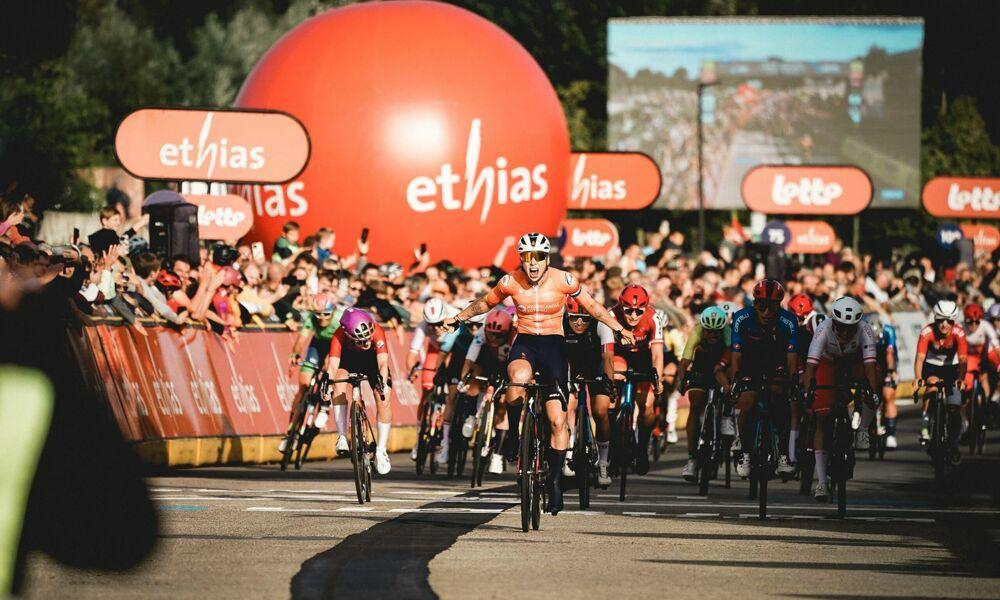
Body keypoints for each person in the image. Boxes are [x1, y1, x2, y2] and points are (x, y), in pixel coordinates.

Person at [447, 233, 634, 516]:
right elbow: (485, 304)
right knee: (517, 379)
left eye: (538, 258)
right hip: (525, 344)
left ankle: (556, 481)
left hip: (553, 346)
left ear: (547, 259)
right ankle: (512, 435)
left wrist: (619, 329)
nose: (532, 264)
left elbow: (593, 307)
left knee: (558, 421)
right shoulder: (510, 281)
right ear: (521, 259)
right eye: (527, 258)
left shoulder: (564, 280)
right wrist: (458, 318)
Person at [801, 297, 880, 501]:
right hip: (827, 363)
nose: (845, 333)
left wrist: (872, 391)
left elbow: (869, 366)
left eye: (849, 329)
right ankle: (822, 483)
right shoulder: (823, 330)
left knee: (873, 387)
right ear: (833, 323)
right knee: (821, 417)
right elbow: (811, 366)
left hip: (853, 361)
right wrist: (809, 391)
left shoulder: (865, 330)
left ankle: (862, 429)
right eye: (840, 328)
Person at [729, 278, 798, 480]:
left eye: (772, 307)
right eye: (762, 305)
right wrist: (735, 382)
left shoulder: (788, 320)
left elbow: (792, 357)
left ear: (780, 305)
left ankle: (784, 454)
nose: (767, 312)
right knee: (748, 401)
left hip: (776, 360)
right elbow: (736, 355)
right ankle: (746, 453)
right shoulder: (742, 318)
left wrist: (792, 383)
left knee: (780, 399)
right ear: (754, 303)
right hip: (751, 361)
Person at [597, 284, 665, 478]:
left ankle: (642, 447)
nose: (634, 315)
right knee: (615, 381)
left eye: (638, 311)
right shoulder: (611, 316)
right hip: (619, 356)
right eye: (629, 310)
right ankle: (613, 443)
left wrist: (657, 380)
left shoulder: (653, 318)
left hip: (643, 357)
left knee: (648, 404)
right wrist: (611, 383)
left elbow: (657, 355)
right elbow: (607, 356)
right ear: (620, 306)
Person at [324, 308, 394, 475]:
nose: (366, 343)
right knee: (338, 385)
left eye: (368, 338)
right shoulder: (338, 335)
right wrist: (327, 384)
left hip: (372, 363)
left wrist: (383, 384)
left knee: (383, 398)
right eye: (360, 341)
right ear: (348, 336)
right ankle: (341, 436)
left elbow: (383, 363)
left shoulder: (377, 331)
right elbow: (332, 365)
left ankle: (381, 450)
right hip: (349, 362)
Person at [282, 293, 347, 455]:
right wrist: (295, 354)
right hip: (317, 345)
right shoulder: (312, 319)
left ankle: (324, 406)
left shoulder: (340, 319)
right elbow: (301, 340)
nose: (321, 318)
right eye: (318, 314)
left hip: (337, 344)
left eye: (326, 314)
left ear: (333, 312)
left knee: (328, 368)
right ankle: (290, 432)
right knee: (303, 385)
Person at [676, 306, 732, 482]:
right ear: (703, 327)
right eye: (709, 332)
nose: (713, 336)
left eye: (717, 332)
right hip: (701, 367)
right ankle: (692, 458)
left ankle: (726, 418)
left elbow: (735, 356)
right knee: (695, 404)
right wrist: (682, 379)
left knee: (728, 390)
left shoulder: (728, 332)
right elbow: (685, 359)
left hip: (722, 367)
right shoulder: (697, 331)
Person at [563, 296, 614, 486]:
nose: (579, 322)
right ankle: (567, 451)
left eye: (584, 318)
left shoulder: (602, 322)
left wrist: (610, 382)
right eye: (574, 317)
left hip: (596, 365)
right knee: (566, 408)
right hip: (570, 364)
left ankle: (603, 463)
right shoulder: (559, 321)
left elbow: (608, 355)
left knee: (600, 411)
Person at [914, 300, 967, 464]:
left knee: (954, 407)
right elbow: (920, 358)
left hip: (952, 368)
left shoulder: (959, 333)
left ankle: (953, 443)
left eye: (949, 321)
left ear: (954, 321)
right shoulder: (927, 332)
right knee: (931, 388)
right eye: (940, 320)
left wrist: (961, 379)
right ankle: (926, 423)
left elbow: (964, 359)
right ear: (935, 319)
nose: (944, 325)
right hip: (932, 367)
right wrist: (918, 378)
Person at [961, 303, 997, 433]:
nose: (973, 325)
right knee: (966, 385)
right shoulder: (961, 327)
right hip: (968, 358)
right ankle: (965, 423)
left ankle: (985, 408)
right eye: (969, 322)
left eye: (976, 322)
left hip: (984, 356)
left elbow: (996, 346)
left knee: (984, 377)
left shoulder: (986, 326)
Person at [868, 314, 900, 449]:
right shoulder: (861, 333)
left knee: (888, 394)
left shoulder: (889, 331)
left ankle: (891, 435)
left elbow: (890, 354)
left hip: (887, 360)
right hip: (870, 359)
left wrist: (891, 372)